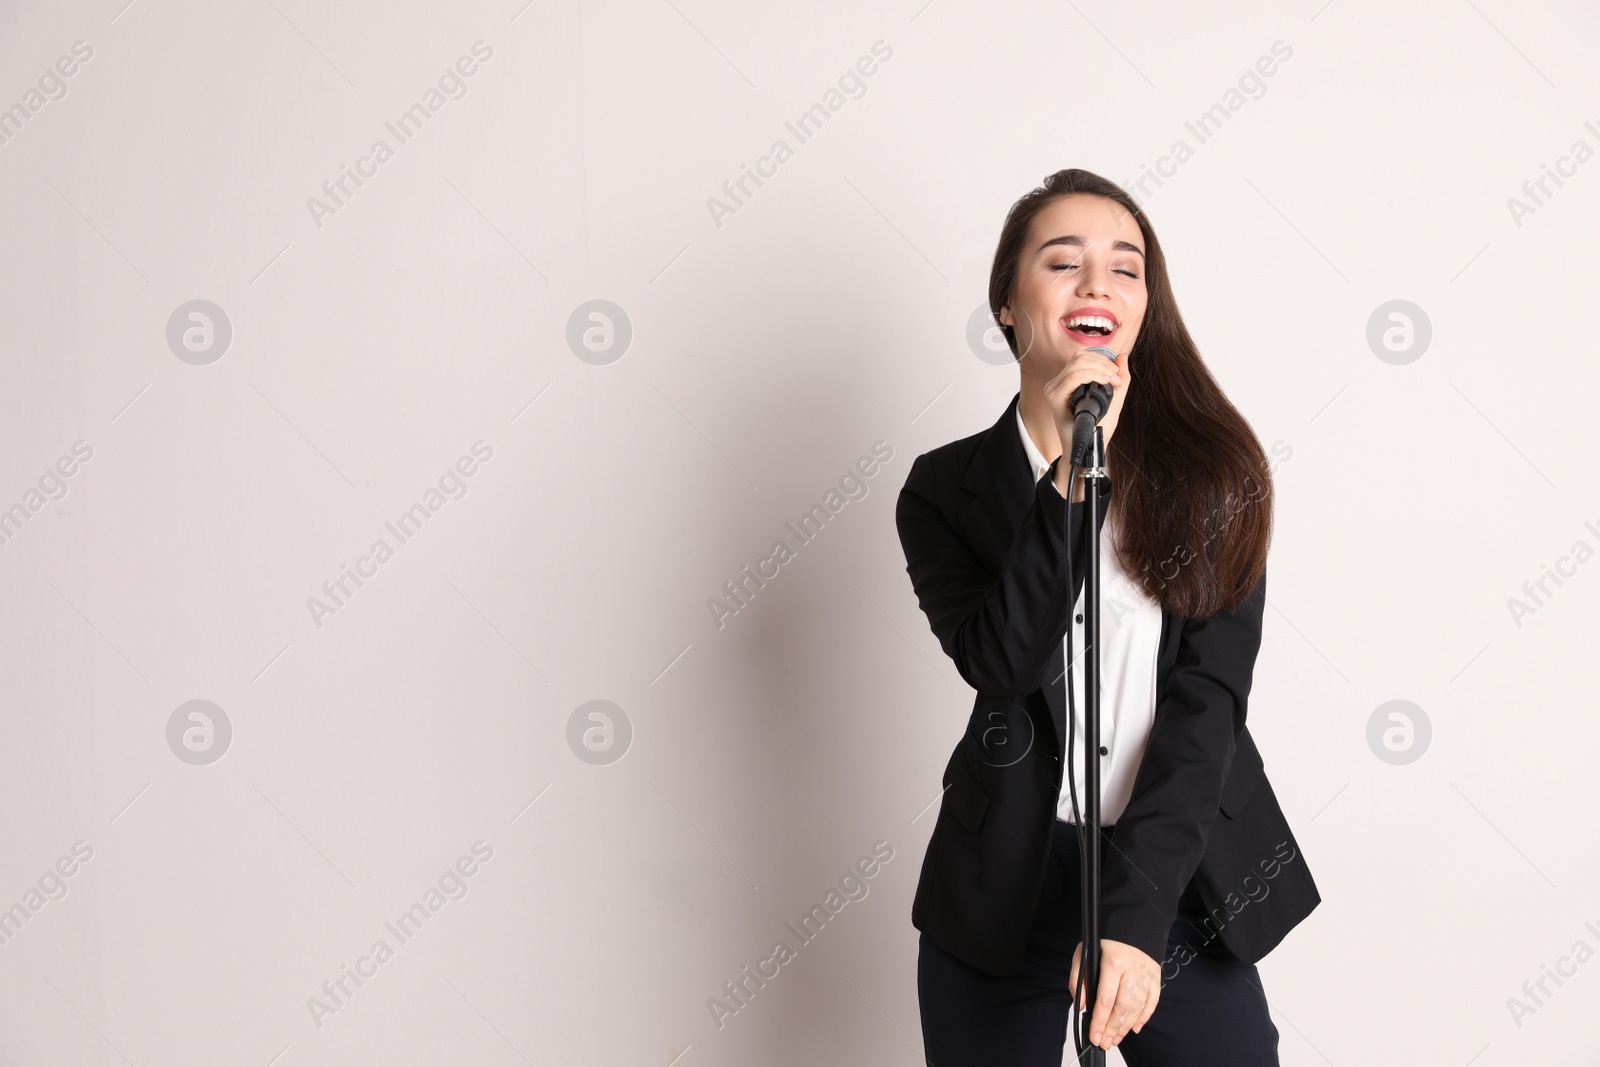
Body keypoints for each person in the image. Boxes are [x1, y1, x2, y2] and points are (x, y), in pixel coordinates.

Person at [894, 169, 1321, 1066]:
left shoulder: (1215, 477)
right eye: (1064, 262)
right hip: (1002, 879)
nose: (1098, 285)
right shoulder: (943, 490)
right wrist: (1072, 485)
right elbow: (1001, 660)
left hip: (1171, 867)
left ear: (1144, 305)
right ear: (1009, 305)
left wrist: (1133, 917)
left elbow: (1208, 708)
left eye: (1127, 269)